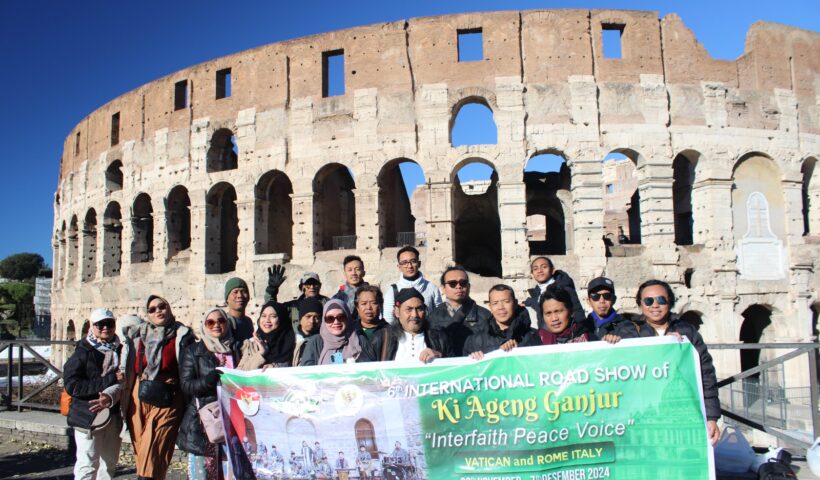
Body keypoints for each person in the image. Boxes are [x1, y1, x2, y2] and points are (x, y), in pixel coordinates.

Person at [611, 279, 721, 445]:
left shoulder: (687, 331)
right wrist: (608, 341)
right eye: (648, 301)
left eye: (661, 300)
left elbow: (706, 373)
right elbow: (617, 367)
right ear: (640, 305)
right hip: (645, 409)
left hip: (684, 413)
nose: (655, 305)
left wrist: (711, 417)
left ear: (670, 302)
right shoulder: (628, 331)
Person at [124, 295, 193, 480]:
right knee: (142, 448)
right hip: (139, 394)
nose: (158, 311)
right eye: (152, 309)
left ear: (168, 308)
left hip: (169, 394)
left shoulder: (181, 335)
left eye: (162, 306)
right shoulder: (139, 334)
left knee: (154, 445)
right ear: (147, 314)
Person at [178, 308, 241, 480]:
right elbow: (186, 385)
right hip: (204, 423)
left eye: (221, 321)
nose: (216, 325)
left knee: (230, 472)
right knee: (203, 472)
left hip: (232, 419)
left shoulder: (236, 348)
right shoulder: (194, 351)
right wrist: (207, 380)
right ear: (204, 326)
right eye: (210, 322)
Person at [63, 308, 124, 480]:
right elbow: (73, 386)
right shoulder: (82, 352)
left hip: (113, 414)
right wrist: (111, 379)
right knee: (87, 465)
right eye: (100, 324)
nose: (105, 328)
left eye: (109, 323)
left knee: (109, 465)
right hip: (88, 415)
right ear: (92, 326)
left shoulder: (120, 349)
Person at [370, 288, 452, 362]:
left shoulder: (439, 338)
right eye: (409, 309)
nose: (415, 315)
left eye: (419, 309)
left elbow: (454, 365)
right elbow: (367, 368)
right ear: (397, 312)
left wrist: (440, 356)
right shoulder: (382, 338)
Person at [428, 265, 491, 355]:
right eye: (452, 283)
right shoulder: (433, 317)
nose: (458, 287)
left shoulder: (485, 315)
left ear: (468, 287)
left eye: (463, 283)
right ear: (443, 288)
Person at [465, 285, 541, 358]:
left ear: (515, 303)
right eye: (495, 303)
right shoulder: (475, 341)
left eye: (506, 301)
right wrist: (473, 359)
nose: (501, 307)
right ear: (490, 307)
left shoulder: (533, 336)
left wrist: (518, 351)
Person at [300, 299, 375, 365]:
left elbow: (370, 369)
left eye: (341, 317)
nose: (336, 322)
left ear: (348, 318)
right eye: (330, 318)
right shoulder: (316, 342)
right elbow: (306, 373)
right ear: (324, 320)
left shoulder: (359, 340)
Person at [382, 246, 442, 324]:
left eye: (413, 261)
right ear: (399, 267)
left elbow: (439, 316)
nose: (409, 266)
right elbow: (389, 320)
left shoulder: (432, 288)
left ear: (419, 264)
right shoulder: (392, 291)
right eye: (404, 263)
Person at [523, 257, 586, 329]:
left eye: (544, 267)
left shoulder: (564, 288)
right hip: (546, 334)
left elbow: (578, 313)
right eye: (535, 269)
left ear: (552, 270)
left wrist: (580, 332)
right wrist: (530, 302)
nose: (539, 271)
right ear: (532, 274)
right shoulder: (537, 293)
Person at [252, 301, 296, 368]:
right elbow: (241, 371)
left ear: (282, 319)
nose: (267, 320)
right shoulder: (251, 344)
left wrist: (275, 368)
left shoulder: (296, 343)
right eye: (263, 316)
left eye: (273, 316)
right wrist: (260, 353)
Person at [293, 297, 322, 366]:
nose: (312, 321)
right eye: (308, 316)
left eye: (316, 317)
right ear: (300, 318)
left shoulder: (323, 340)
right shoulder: (291, 339)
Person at [224, 277, 254, 342]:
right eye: (235, 292)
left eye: (243, 291)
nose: (240, 295)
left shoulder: (248, 322)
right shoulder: (224, 323)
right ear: (227, 299)